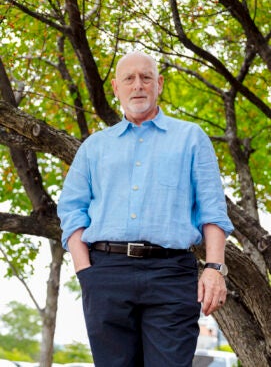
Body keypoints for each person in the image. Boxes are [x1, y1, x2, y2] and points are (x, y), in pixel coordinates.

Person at [57, 51, 234, 367]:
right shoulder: (94, 148)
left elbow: (213, 210)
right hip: (105, 274)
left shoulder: (191, 139)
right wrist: (87, 273)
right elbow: (72, 212)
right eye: (129, 78)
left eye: (146, 77)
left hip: (171, 274)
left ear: (159, 84)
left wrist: (214, 268)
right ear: (115, 87)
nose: (137, 85)